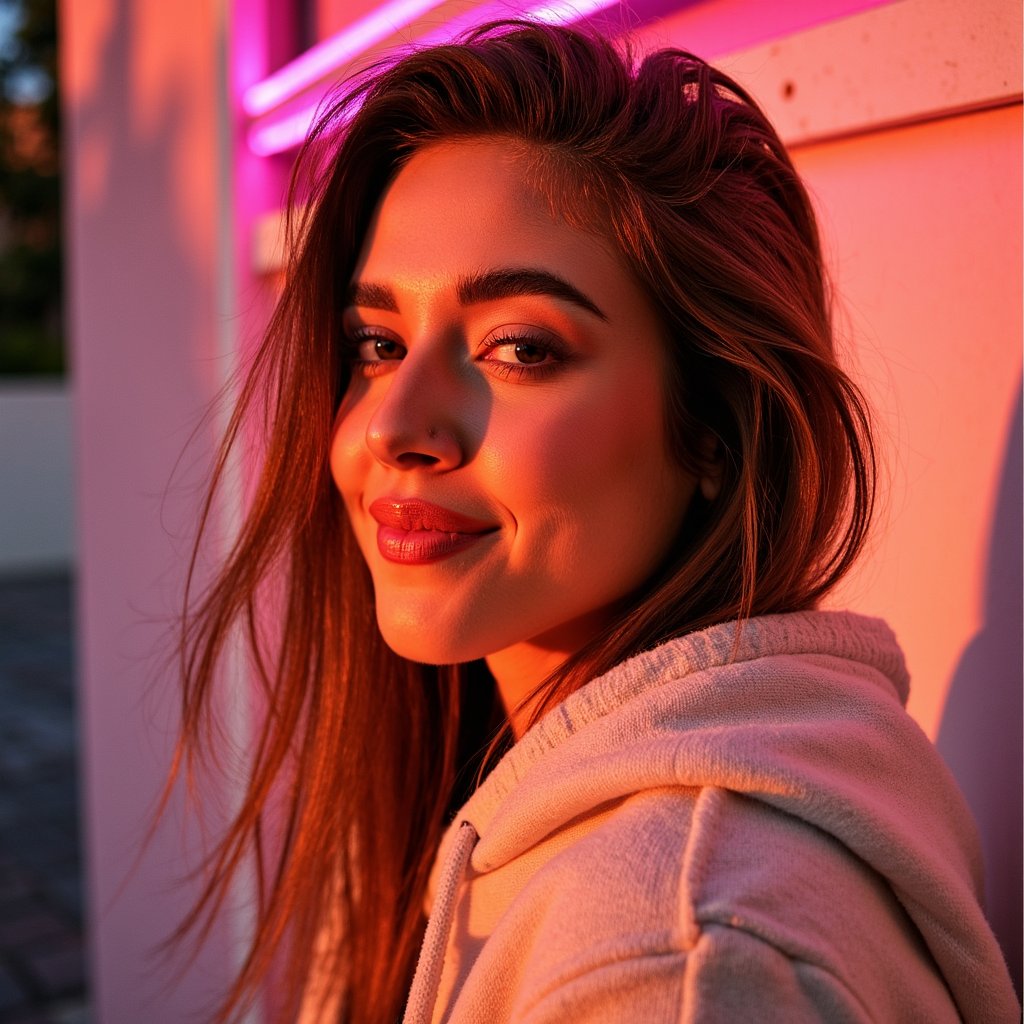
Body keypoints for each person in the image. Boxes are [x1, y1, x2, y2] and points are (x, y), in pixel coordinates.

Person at [173, 19, 1019, 1024]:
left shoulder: (675, 967)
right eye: (378, 342)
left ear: (712, 424)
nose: (398, 424)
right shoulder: (484, 789)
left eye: (520, 348)